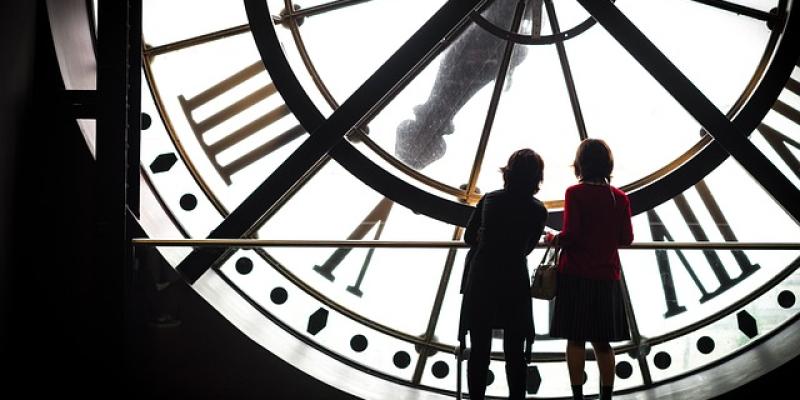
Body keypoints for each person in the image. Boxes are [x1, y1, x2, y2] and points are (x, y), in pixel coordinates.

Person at [458, 148, 548, 400]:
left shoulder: (490, 200)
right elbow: (527, 248)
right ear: (536, 178)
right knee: (515, 350)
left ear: (508, 173)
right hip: (514, 280)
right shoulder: (538, 210)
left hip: (482, 277)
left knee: (479, 349)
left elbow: (468, 237)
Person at [547, 138, 634, 400]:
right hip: (607, 276)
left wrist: (553, 239)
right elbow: (626, 238)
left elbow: (571, 235)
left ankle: (578, 396)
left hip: (575, 274)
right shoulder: (620, 198)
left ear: (580, 164)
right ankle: (606, 396)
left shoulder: (575, 193)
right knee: (602, 342)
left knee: (575, 340)